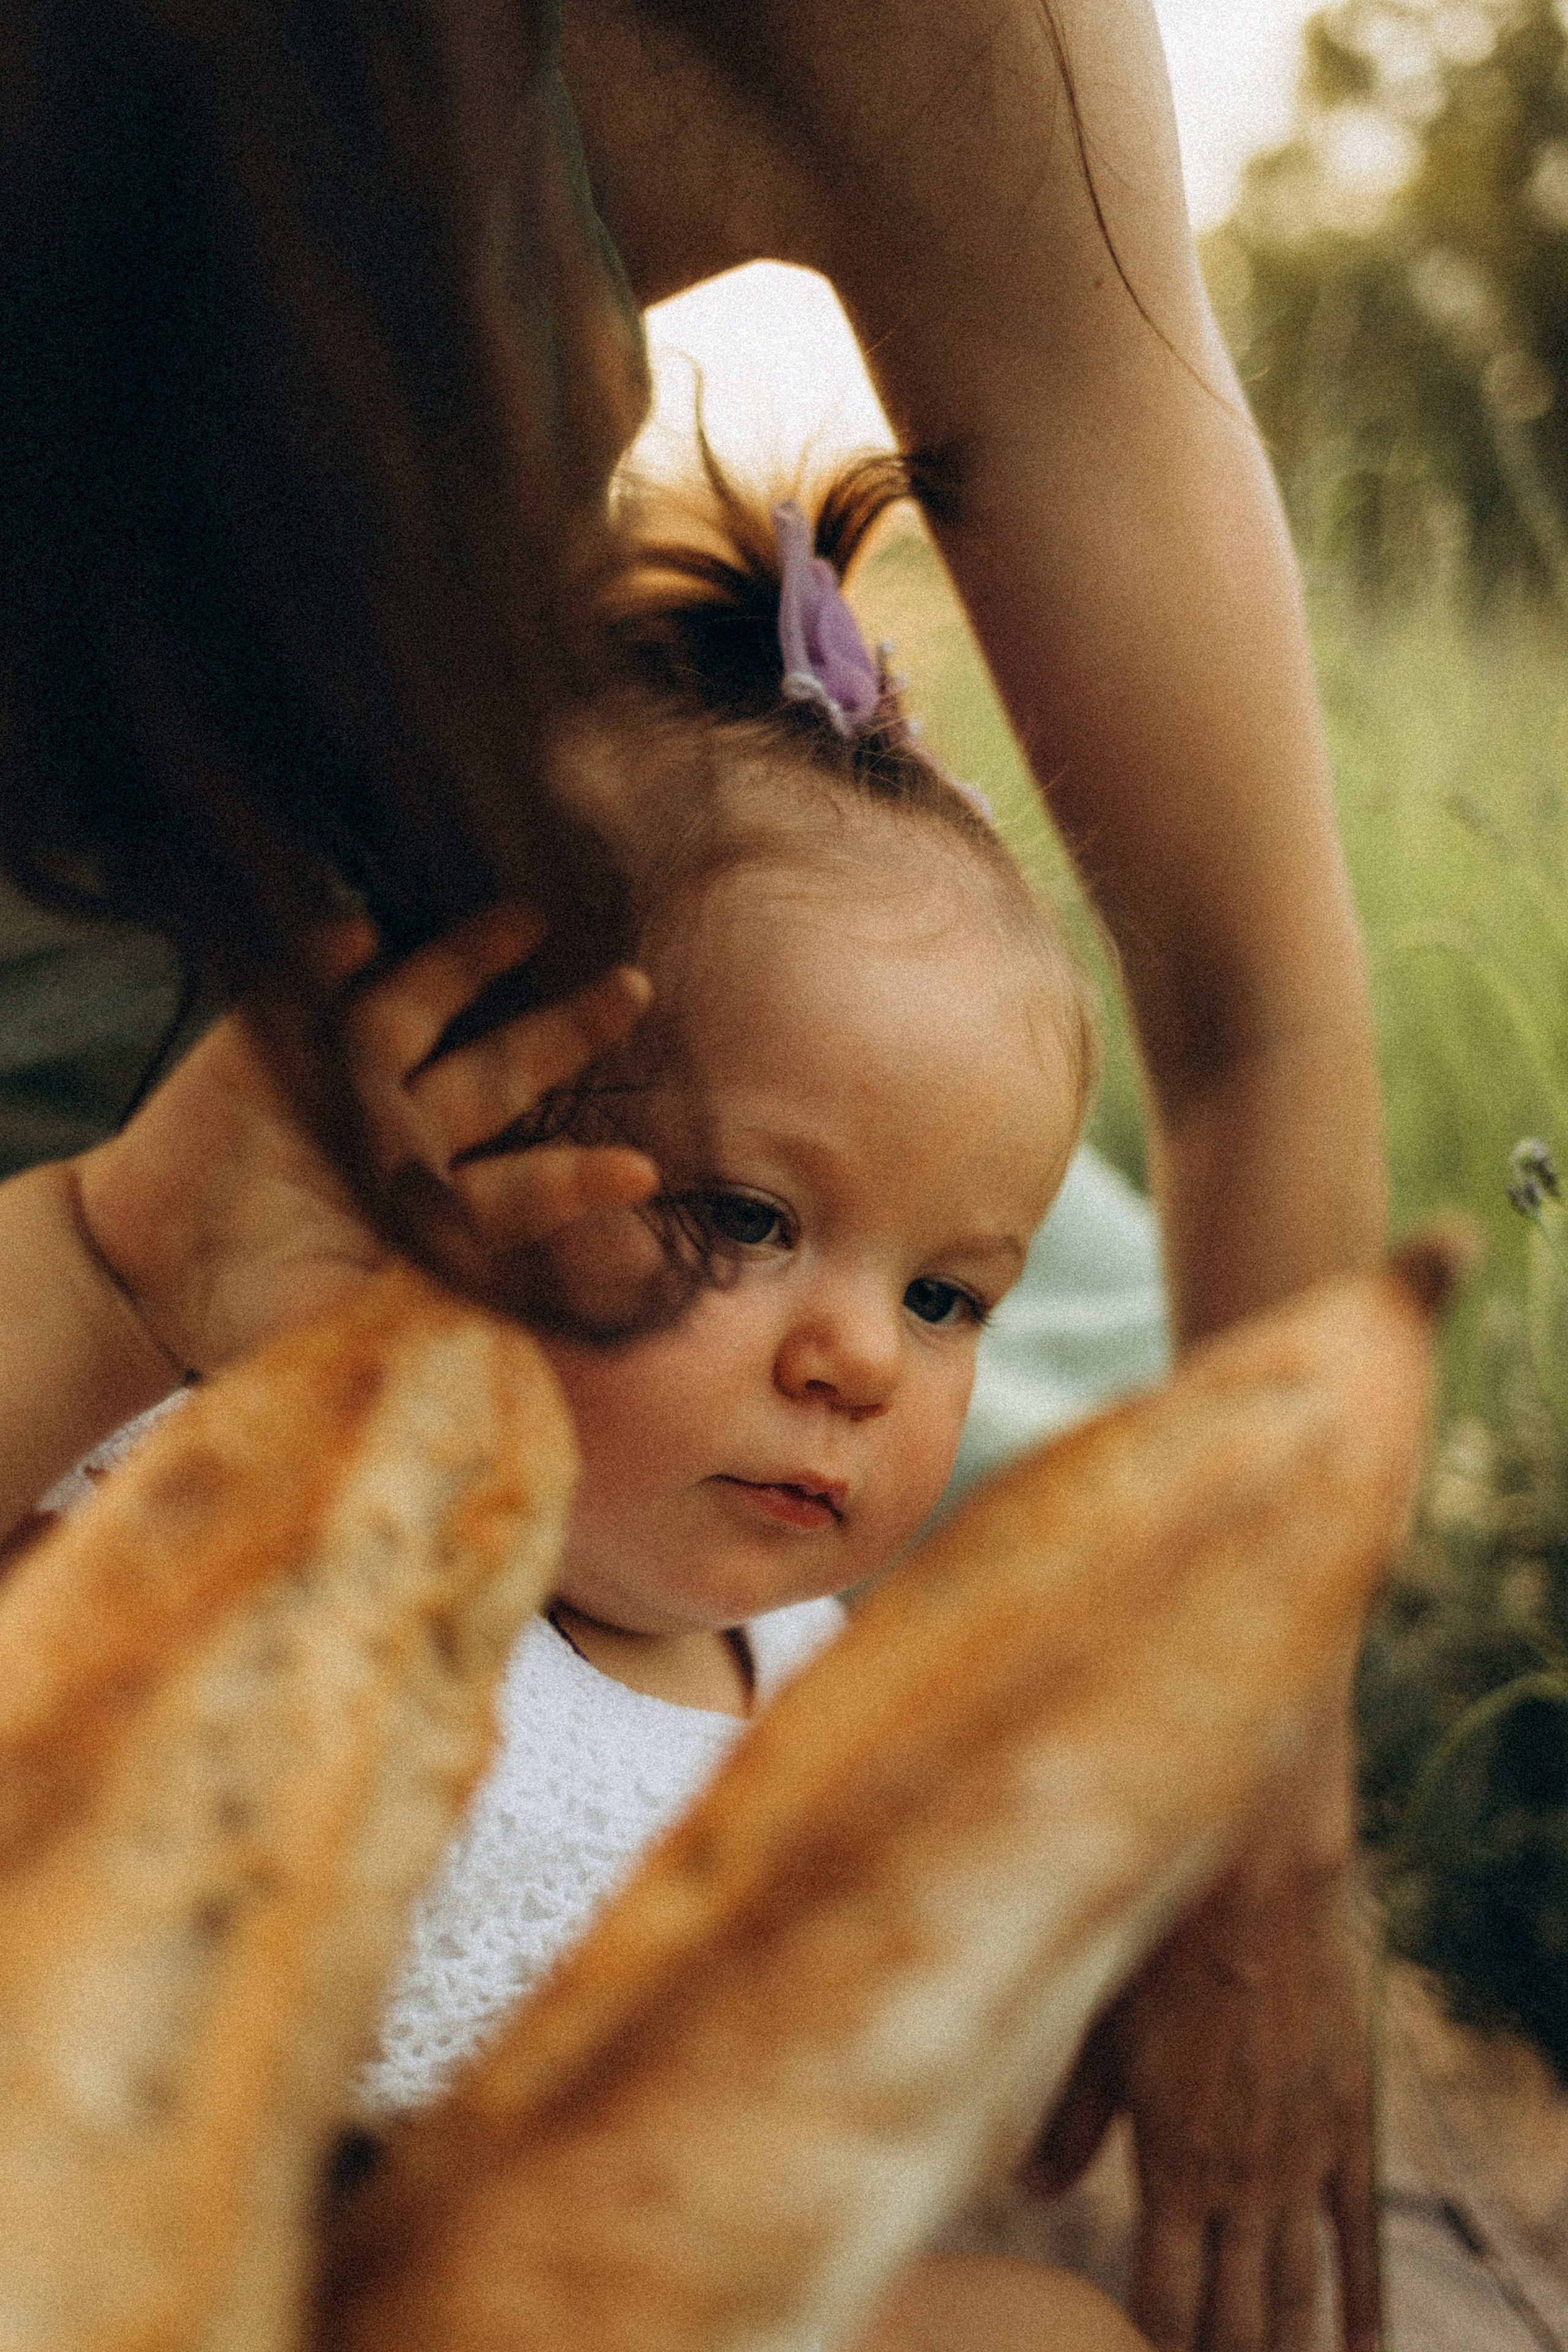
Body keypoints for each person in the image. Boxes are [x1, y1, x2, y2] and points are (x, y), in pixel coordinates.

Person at [0, 5, 1385, 2345]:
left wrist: (1245, 1811)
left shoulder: (825, 1681)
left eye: (960, 1298)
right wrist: (123, 1276)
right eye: (740, 1227)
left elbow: (1254, 993)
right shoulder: (224, 1510)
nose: (862, 1354)